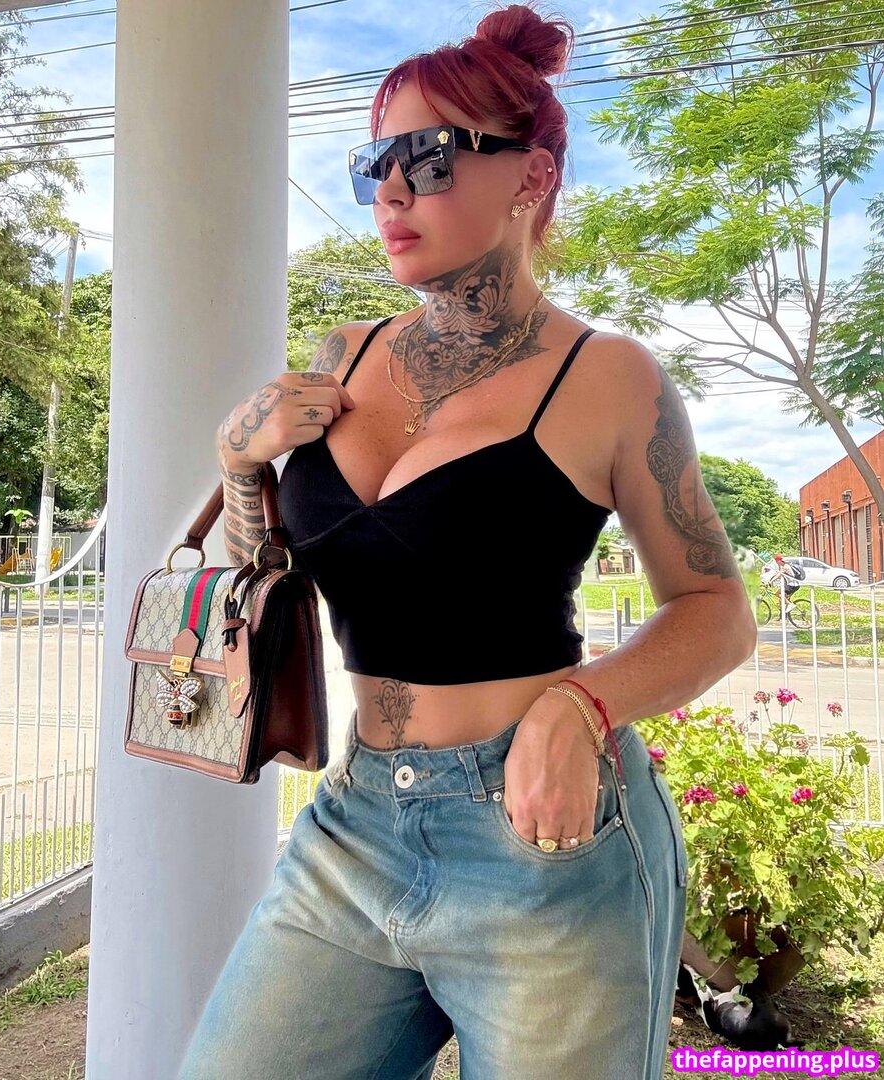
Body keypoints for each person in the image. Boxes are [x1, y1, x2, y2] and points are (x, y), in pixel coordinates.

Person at [177, 5, 757, 1078]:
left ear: (532, 177)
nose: (391, 190)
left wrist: (583, 707)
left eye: (429, 156)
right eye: (375, 162)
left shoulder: (608, 377)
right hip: (355, 825)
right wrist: (237, 461)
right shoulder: (342, 354)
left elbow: (717, 610)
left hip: (545, 841)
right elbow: (265, 582)